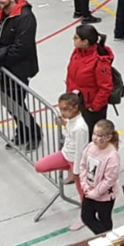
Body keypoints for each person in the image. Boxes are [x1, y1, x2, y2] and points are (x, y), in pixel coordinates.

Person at [0, 0, 41, 149]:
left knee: (16, 103)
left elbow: (22, 47)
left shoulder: (25, 17)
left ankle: (34, 133)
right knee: (9, 103)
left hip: (19, 68)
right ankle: (22, 132)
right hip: (4, 68)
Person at [34, 93, 91, 229]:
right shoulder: (71, 122)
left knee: (82, 191)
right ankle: (70, 171)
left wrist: (76, 171)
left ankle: (86, 217)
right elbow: (70, 136)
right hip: (65, 155)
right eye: (61, 109)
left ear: (76, 107)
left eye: (66, 109)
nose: (63, 112)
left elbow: (80, 151)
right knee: (39, 166)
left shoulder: (80, 128)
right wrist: (64, 125)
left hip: (76, 161)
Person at [66, 24, 114, 133]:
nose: (73, 39)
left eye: (76, 37)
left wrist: (95, 107)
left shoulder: (100, 62)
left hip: (90, 108)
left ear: (85, 42)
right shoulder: (77, 52)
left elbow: (105, 87)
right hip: (77, 103)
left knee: (90, 135)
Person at [79, 119, 121, 234]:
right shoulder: (90, 147)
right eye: (94, 134)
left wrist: (96, 193)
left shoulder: (112, 156)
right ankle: (103, 237)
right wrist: (84, 184)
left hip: (105, 196)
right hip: (89, 190)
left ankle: (107, 238)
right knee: (86, 217)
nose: (95, 138)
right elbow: (83, 166)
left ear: (108, 137)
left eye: (99, 135)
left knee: (105, 220)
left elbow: (109, 179)